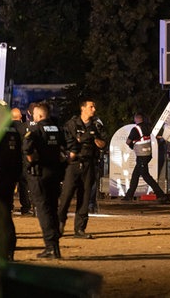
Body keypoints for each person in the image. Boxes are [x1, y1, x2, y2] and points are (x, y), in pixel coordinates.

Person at [58, 98, 107, 239]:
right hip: (73, 165)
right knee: (66, 196)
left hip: (89, 164)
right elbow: (70, 142)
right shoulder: (72, 124)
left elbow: (102, 143)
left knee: (85, 198)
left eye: (94, 107)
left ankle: (80, 229)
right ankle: (59, 224)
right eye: (91, 107)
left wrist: (93, 139)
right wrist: (88, 137)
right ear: (83, 108)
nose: (94, 109)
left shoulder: (96, 125)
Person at [22, 103, 65, 258]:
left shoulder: (35, 130)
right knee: (53, 209)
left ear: (39, 116)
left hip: (39, 174)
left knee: (43, 210)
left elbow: (27, 149)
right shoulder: (58, 129)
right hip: (55, 174)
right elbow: (65, 150)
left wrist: (32, 160)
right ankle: (56, 247)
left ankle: (50, 247)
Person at [0, 104, 22, 261]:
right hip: (10, 177)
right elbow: (19, 155)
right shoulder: (13, 129)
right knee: (6, 213)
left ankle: (2, 249)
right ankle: (9, 248)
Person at [122, 112, 169, 202]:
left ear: (136, 119)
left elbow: (128, 142)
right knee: (136, 175)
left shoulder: (136, 129)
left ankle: (161, 195)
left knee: (146, 176)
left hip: (141, 156)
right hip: (147, 155)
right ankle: (129, 195)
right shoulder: (147, 127)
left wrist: (132, 146)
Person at [11, 107, 32, 216]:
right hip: (23, 159)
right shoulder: (25, 127)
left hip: (10, 159)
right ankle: (26, 207)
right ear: (20, 117)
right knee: (24, 184)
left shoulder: (7, 128)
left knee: (10, 184)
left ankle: (9, 206)